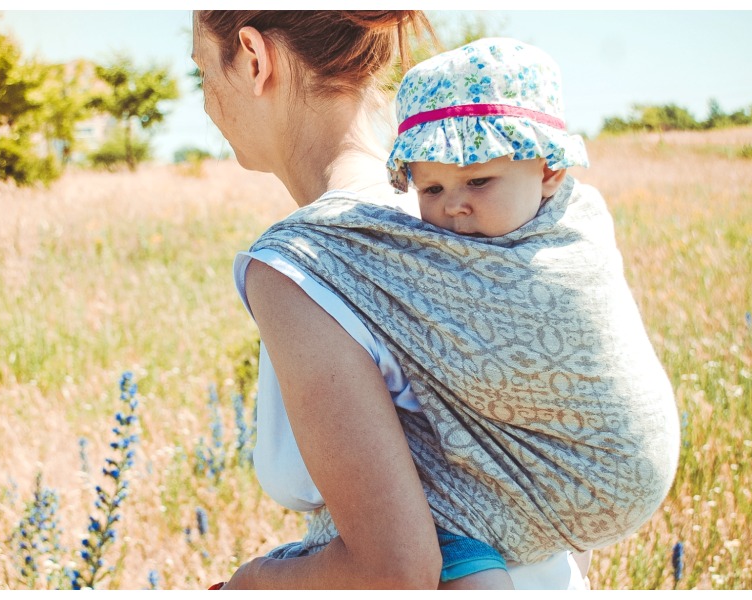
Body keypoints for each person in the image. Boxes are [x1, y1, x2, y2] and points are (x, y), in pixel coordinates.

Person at [193, 11, 677, 589]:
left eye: (201, 72)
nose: (205, 105)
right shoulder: (500, 212)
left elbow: (395, 572)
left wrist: (251, 584)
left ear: (253, 57)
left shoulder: (307, 264)